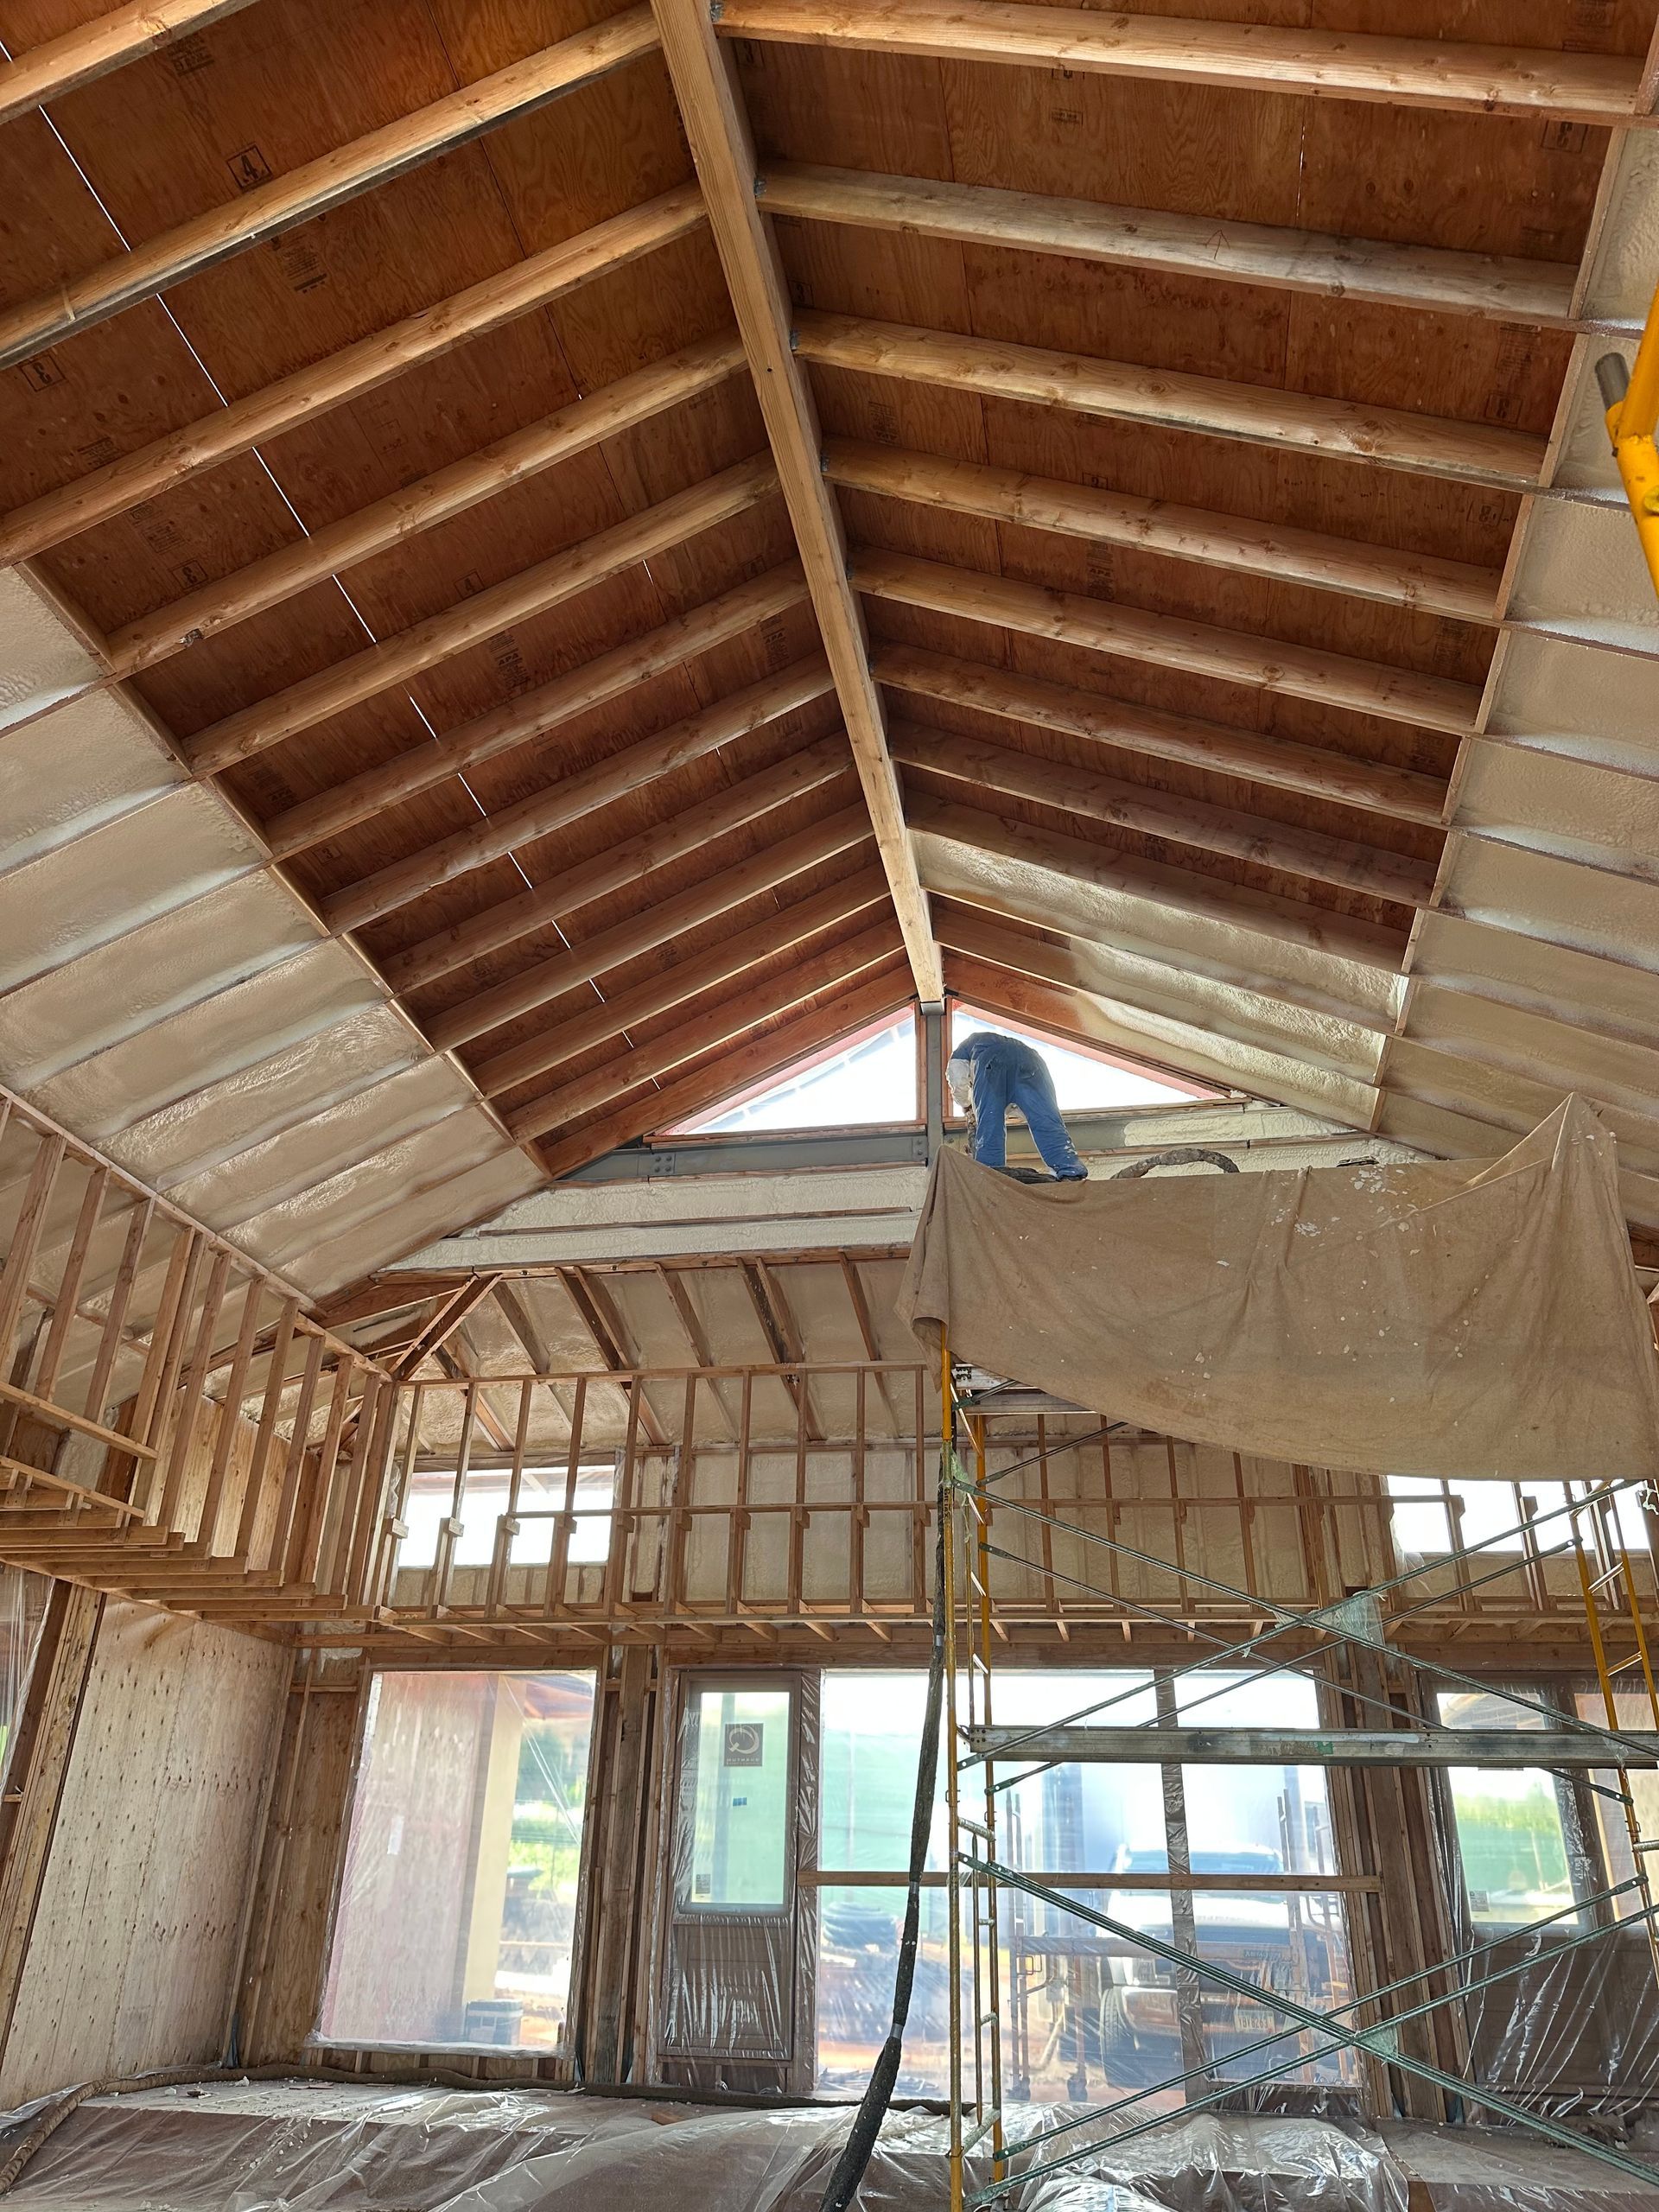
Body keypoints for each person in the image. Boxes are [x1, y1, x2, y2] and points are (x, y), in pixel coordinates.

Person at [946, 1029, 1089, 1181]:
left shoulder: (963, 1050)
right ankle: (1070, 1170)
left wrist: (967, 1105)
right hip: (1033, 1061)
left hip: (992, 1059)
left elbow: (957, 1079)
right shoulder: (1012, 1046)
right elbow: (1023, 1106)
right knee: (1045, 1118)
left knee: (990, 1122)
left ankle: (990, 1172)